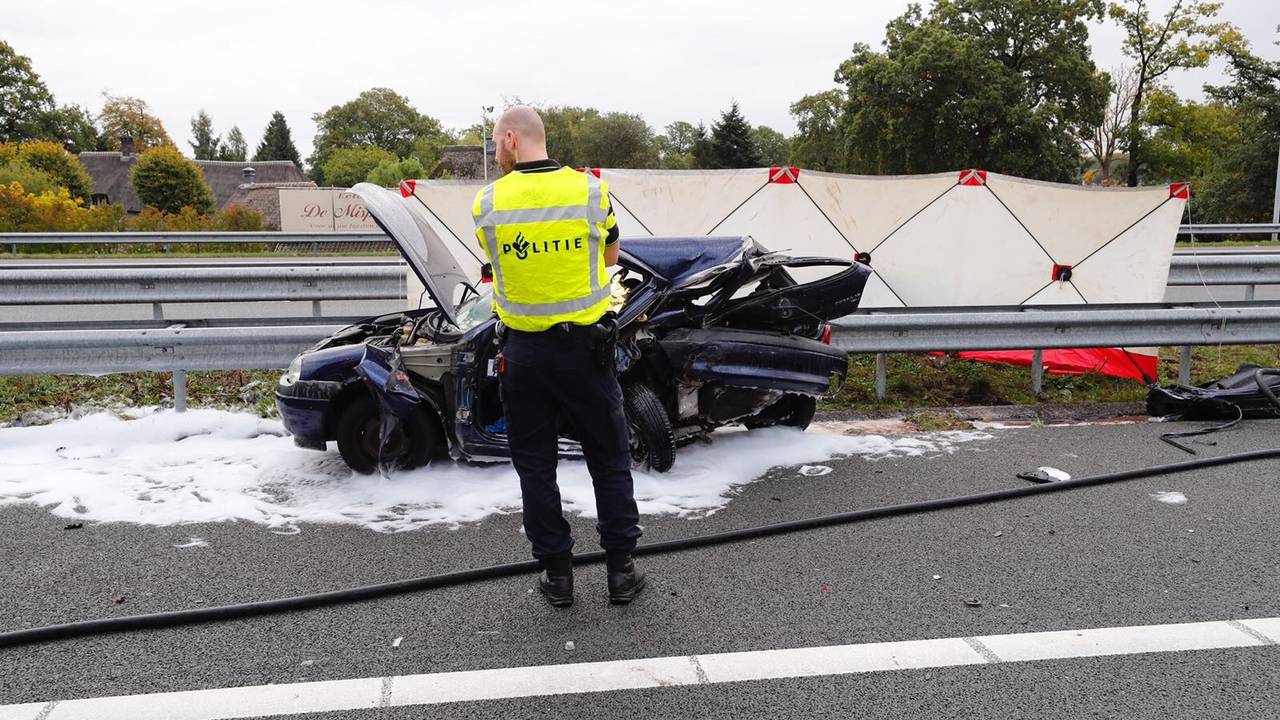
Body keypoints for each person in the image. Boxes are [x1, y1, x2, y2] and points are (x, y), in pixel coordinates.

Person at [472, 106, 645, 608]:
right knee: (609, 459)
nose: (494, 150)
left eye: (493, 142)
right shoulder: (591, 191)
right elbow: (611, 256)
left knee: (536, 465)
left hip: (524, 355)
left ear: (509, 139)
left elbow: (498, 262)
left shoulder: (488, 203)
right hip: (586, 351)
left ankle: (559, 575)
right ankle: (620, 573)